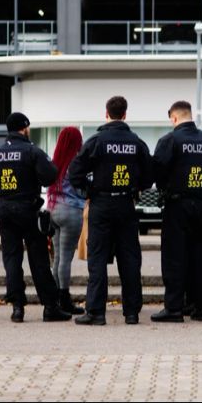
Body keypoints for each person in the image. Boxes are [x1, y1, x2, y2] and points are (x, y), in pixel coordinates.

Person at [0, 112, 71, 323]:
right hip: (28, 210)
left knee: (11, 259)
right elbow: (50, 176)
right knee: (38, 259)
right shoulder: (31, 151)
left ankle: (17, 307)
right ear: (25, 128)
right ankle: (49, 307)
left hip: (5, 211)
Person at [68, 96, 153, 326]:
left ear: (106, 114)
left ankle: (96, 313)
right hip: (126, 205)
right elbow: (149, 176)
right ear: (125, 115)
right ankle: (132, 313)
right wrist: (135, 188)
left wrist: (88, 191)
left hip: (101, 205)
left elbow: (73, 173)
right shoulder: (136, 143)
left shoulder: (96, 141)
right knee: (130, 260)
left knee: (97, 260)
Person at [151, 101, 202, 323]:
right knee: (200, 256)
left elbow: (158, 172)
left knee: (174, 257)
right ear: (190, 115)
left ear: (173, 118)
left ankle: (173, 308)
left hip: (177, 206)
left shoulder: (170, 140)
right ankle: (199, 307)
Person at [47, 126, 86, 315]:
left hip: (53, 209)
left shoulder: (56, 161)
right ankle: (65, 299)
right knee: (66, 259)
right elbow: (82, 189)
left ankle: (54, 299)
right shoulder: (76, 163)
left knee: (57, 258)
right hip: (71, 211)